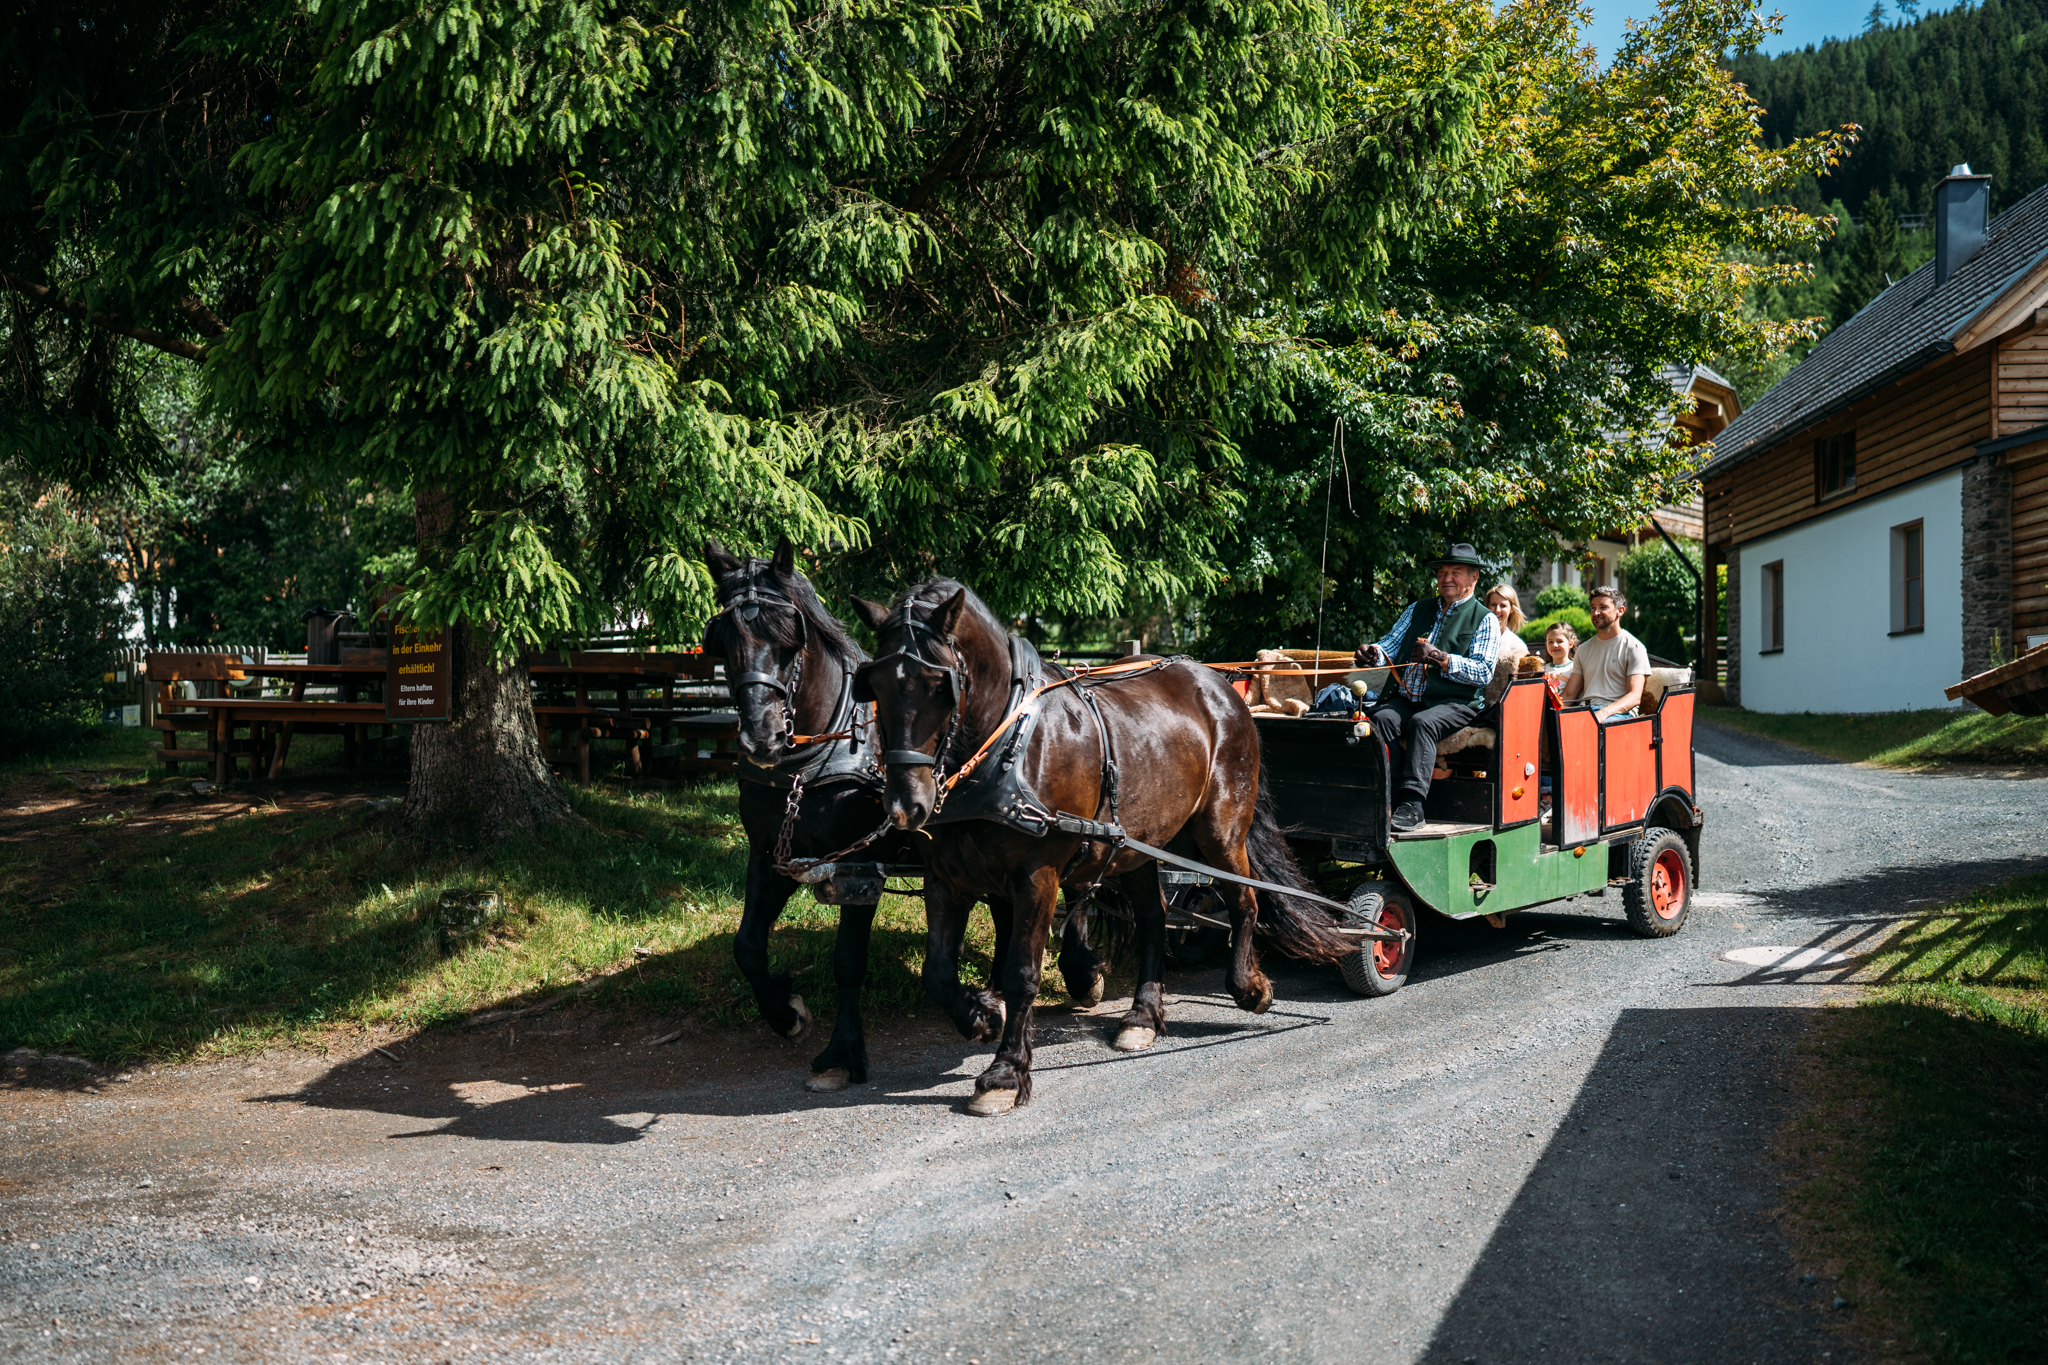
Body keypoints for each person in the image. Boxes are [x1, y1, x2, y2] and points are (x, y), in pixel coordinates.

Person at [1352, 543, 1500, 831]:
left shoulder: (1485, 619)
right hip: (1409, 698)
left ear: (1474, 578)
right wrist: (1372, 653)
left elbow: (1483, 673)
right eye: (1443, 572)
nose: (1447, 578)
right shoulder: (1418, 608)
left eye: (1456, 572)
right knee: (1380, 718)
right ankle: (1387, 797)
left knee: (1423, 723)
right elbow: (1389, 646)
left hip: (1456, 703)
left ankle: (1413, 804)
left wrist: (1440, 658)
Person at [1562, 585, 1651, 723]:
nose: (1596, 612)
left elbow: (1634, 696)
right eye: (1593, 608)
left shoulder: (1634, 647)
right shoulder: (1583, 649)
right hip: (1587, 712)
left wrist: (1603, 713)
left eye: (1603, 607)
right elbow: (1569, 695)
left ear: (1620, 611)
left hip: (1620, 715)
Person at [1485, 585, 1529, 664]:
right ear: (1487, 606)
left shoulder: (1518, 646)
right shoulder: (1475, 636)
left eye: (1503, 606)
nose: (1497, 610)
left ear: (1512, 609)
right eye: (1493, 604)